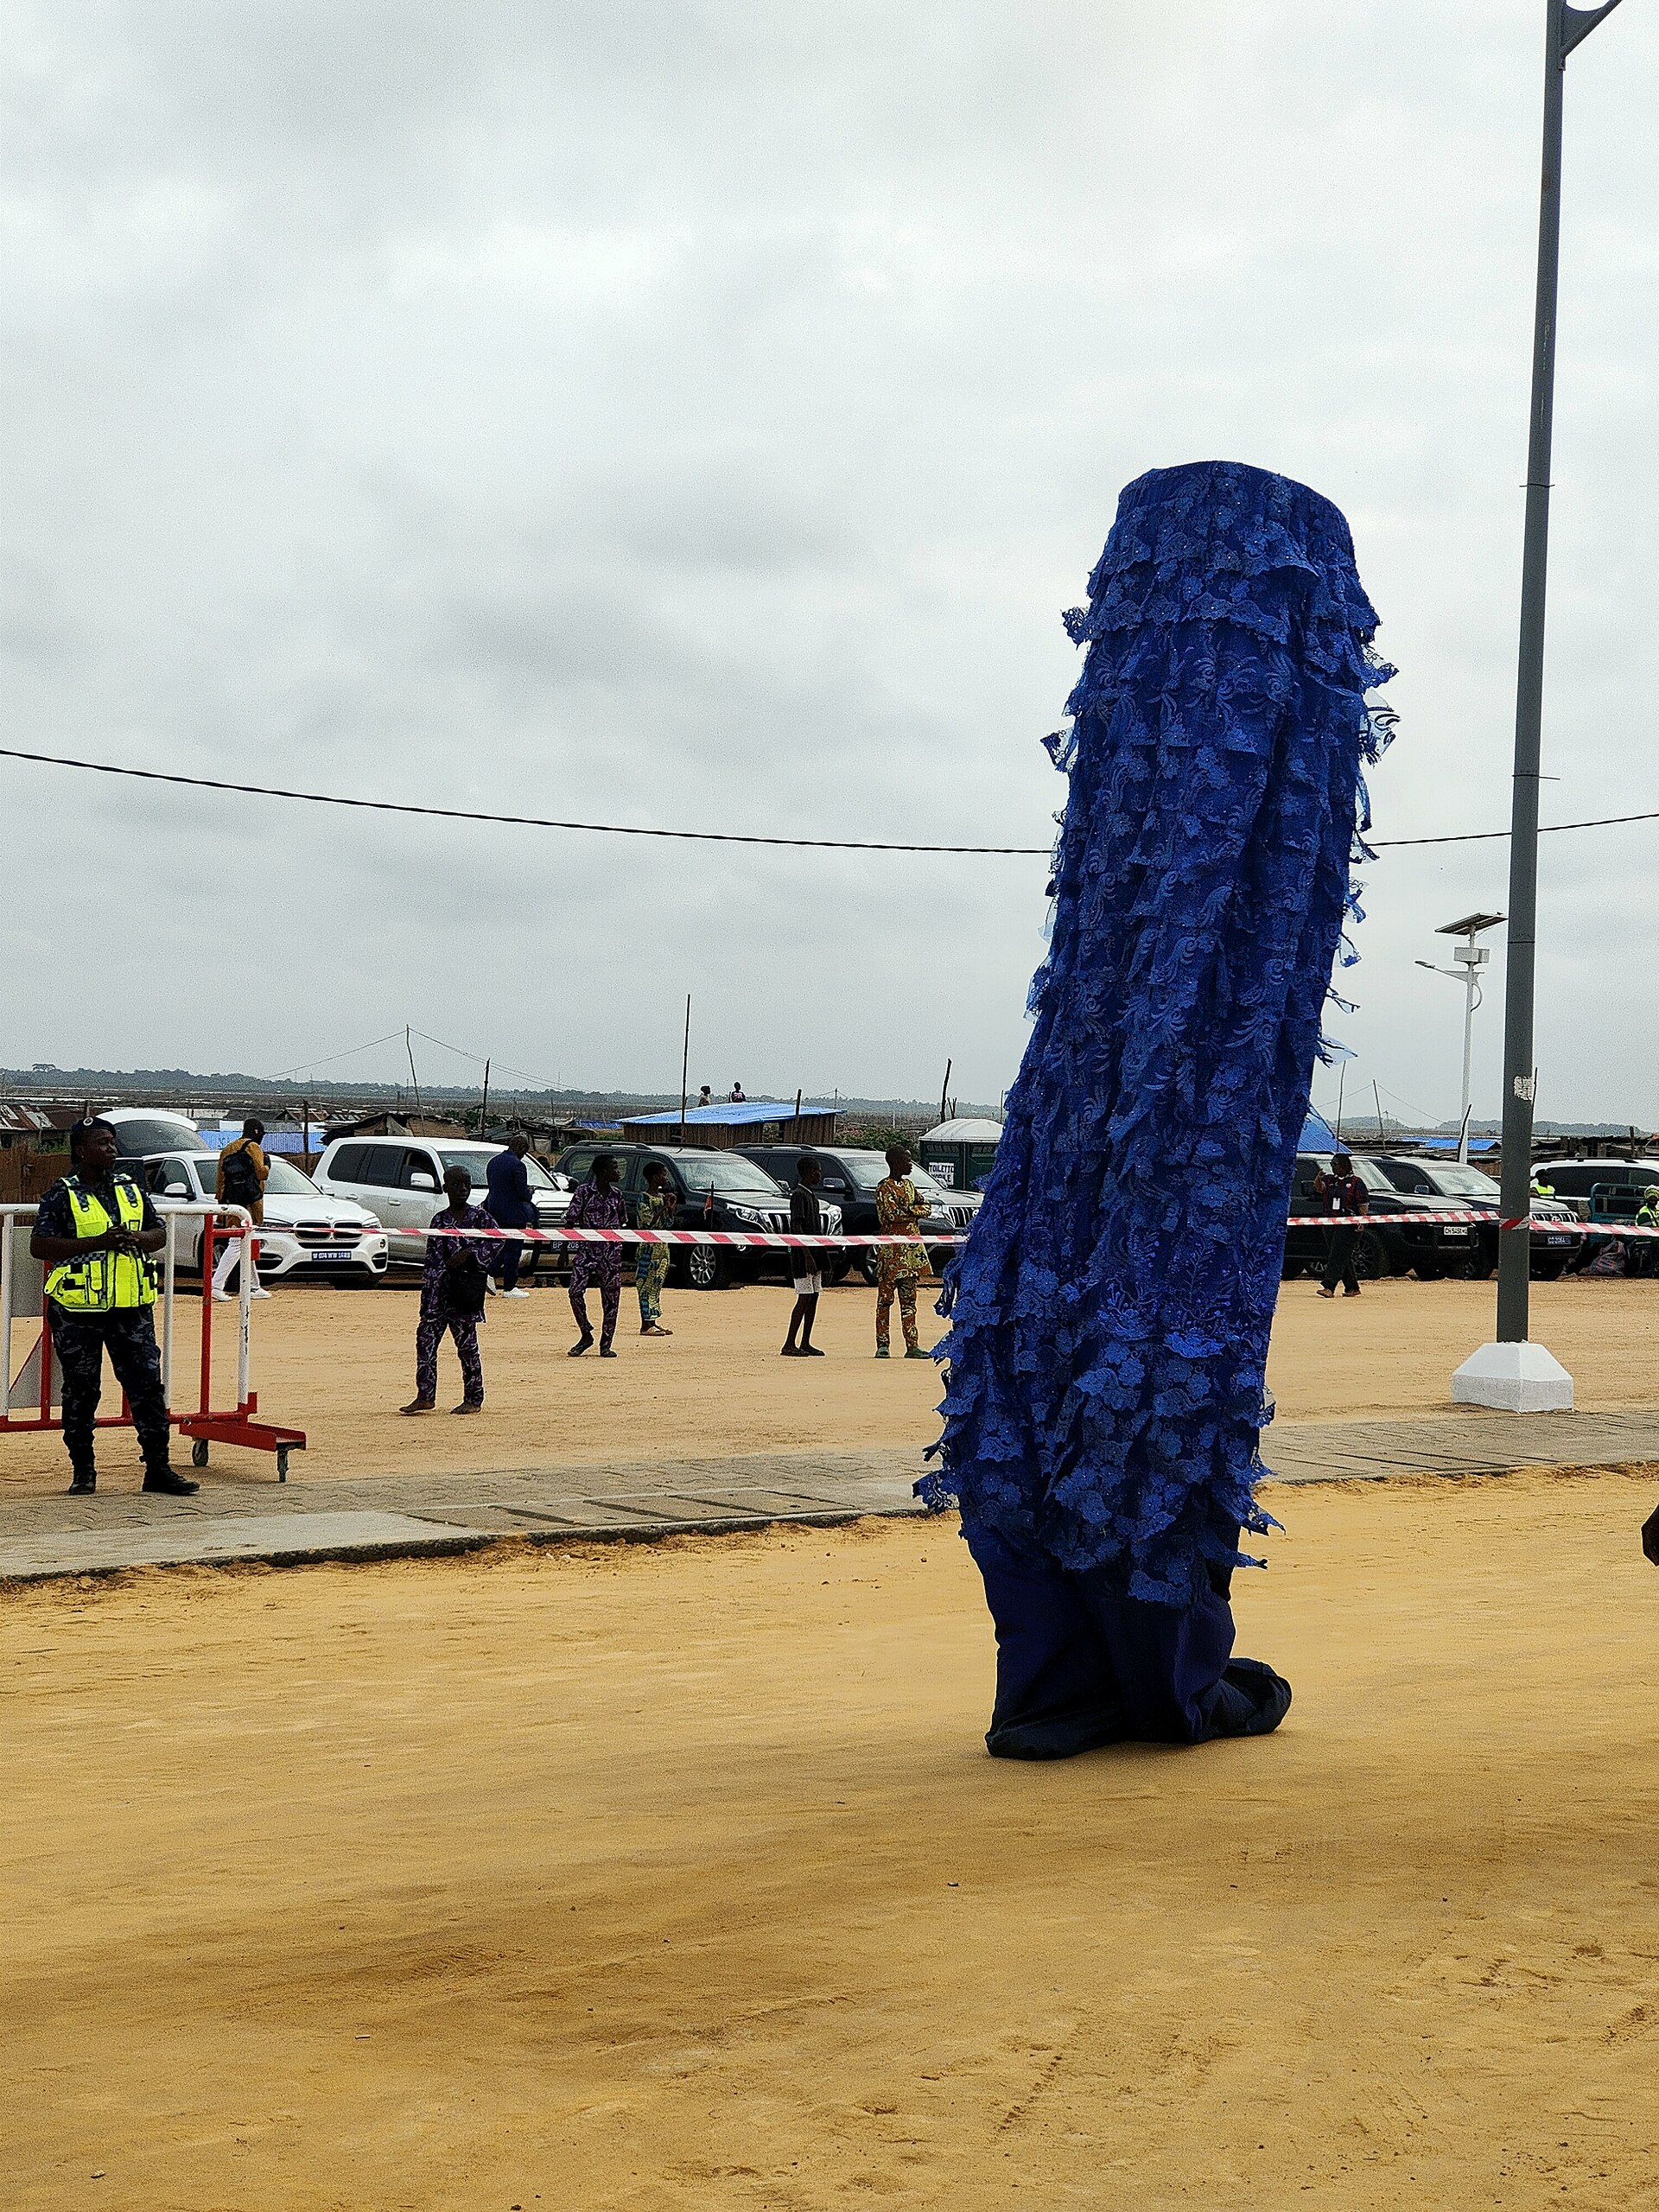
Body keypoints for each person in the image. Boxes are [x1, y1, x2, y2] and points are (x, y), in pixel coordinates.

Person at [923, 462, 1390, 1756]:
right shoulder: (1285, 712)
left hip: (1089, 1073)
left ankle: (1063, 1675)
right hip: (1197, 1103)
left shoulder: (1133, 724)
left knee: (1071, 1275)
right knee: (1165, 1278)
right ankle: (1159, 1669)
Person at [29, 1117, 198, 1495]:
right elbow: (40, 1246)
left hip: (131, 1307)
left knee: (147, 1388)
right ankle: (83, 1474)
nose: (112, 1149)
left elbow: (158, 1234)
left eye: (112, 1142)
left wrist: (135, 1238)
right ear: (80, 1150)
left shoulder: (131, 1187)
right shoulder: (62, 1193)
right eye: (102, 1143)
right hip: (78, 1309)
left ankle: (158, 1469)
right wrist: (97, 1243)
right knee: (82, 1390)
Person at [402, 1165, 495, 1414]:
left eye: (466, 1184)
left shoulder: (481, 1218)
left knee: (467, 1347)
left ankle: (474, 1398)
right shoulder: (439, 1220)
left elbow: (497, 1241)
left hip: (464, 1293)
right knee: (425, 1342)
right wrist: (432, 1288)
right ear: (446, 1188)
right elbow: (431, 1259)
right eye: (456, 1184)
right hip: (437, 1294)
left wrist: (470, 1254)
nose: (462, 1189)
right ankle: (425, 1395)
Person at [567, 1154, 626, 1357]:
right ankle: (586, 1333)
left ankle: (606, 1344)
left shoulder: (617, 1195)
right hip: (587, 1252)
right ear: (603, 1171)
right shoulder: (584, 1192)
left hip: (610, 1255)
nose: (618, 1172)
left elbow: (622, 1223)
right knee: (575, 1292)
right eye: (615, 1168)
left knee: (611, 1300)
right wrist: (566, 1250)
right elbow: (571, 1220)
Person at [874, 1144, 929, 1358]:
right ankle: (883, 1344)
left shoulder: (910, 1186)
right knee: (885, 1301)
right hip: (890, 1255)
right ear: (896, 1163)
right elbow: (891, 1215)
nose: (911, 1164)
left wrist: (910, 1211)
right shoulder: (883, 1187)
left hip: (911, 1255)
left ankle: (912, 1345)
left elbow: (927, 1207)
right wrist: (912, 1213)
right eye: (907, 1160)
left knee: (909, 1302)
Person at [213, 1117, 272, 1302]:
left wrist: (221, 1206)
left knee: (246, 1242)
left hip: (232, 1202)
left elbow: (220, 1181)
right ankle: (216, 1285)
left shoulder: (227, 1149)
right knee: (237, 1244)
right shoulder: (253, 1147)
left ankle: (254, 1286)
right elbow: (261, 1173)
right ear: (256, 1133)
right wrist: (268, 1164)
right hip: (248, 1203)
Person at [484, 1130, 538, 1298]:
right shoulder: (518, 1165)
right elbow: (522, 1192)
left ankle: (490, 1274)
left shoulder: (493, 1162)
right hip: (514, 1214)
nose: (525, 1154)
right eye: (525, 1150)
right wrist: (530, 1193)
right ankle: (509, 1286)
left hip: (494, 1211)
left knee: (501, 1246)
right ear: (521, 1147)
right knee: (513, 1250)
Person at [782, 1156, 826, 1357]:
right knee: (804, 1297)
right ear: (809, 1172)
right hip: (803, 1254)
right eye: (817, 1171)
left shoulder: (811, 1195)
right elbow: (796, 1226)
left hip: (815, 1251)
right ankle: (789, 1343)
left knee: (814, 1296)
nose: (820, 1174)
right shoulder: (799, 1195)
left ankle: (806, 1341)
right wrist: (807, 1255)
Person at [1313, 1151, 1369, 1298]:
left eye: (1335, 1164)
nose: (1332, 1167)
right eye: (1331, 1164)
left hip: (1349, 1224)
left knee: (1337, 1254)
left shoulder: (1356, 1182)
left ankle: (1328, 1286)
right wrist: (1318, 1179)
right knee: (1341, 1255)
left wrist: (1361, 1220)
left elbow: (1363, 1204)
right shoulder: (1331, 1180)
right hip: (1330, 1222)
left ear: (1344, 1166)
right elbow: (1319, 1188)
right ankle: (1352, 1287)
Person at [634, 1161, 676, 1338]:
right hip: (648, 1247)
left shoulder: (661, 1196)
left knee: (656, 1284)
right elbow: (647, 1222)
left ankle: (653, 1321)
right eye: (663, 1174)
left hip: (661, 1247)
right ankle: (645, 1324)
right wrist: (663, 1207)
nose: (666, 1178)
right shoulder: (643, 1197)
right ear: (654, 1177)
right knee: (645, 1284)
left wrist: (670, 1209)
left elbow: (667, 1223)